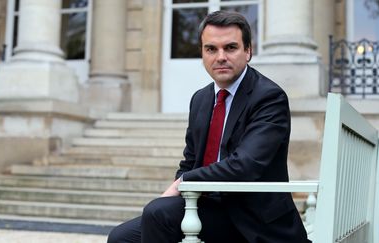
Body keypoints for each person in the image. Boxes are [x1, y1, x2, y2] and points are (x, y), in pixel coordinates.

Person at [107, 10, 310, 243]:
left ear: (248, 51)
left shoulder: (269, 97)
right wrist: (181, 192)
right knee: (121, 238)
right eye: (211, 49)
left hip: (255, 220)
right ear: (202, 54)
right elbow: (189, 161)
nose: (220, 57)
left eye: (230, 48)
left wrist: (184, 183)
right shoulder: (201, 99)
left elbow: (245, 166)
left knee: (158, 213)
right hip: (210, 209)